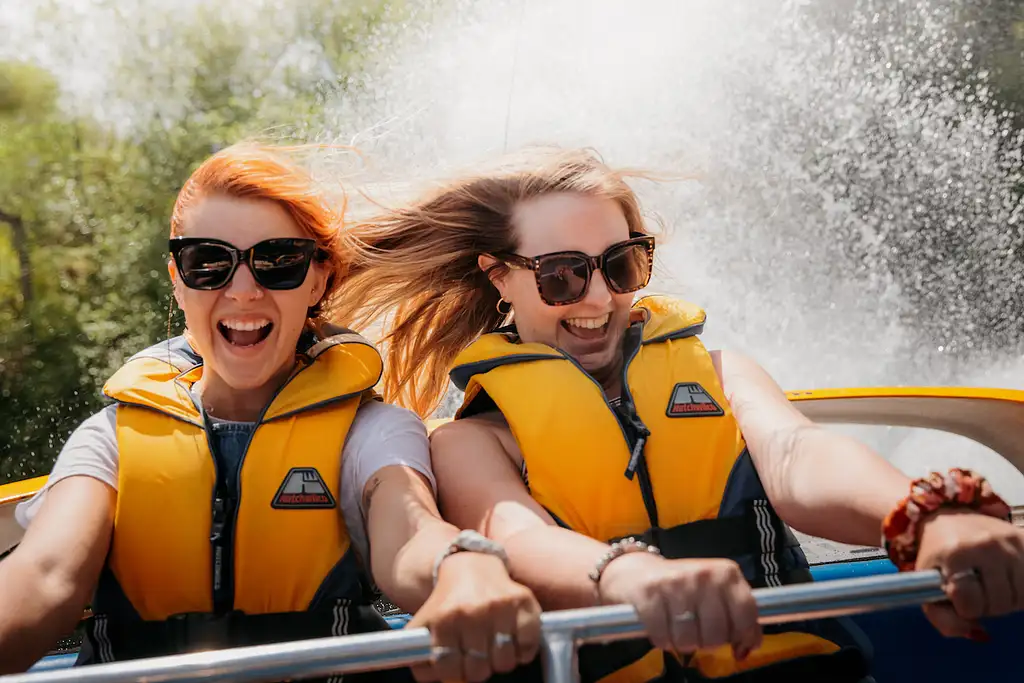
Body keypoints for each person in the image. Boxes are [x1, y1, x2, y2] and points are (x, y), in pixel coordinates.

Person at [332, 146, 1024, 683]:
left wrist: (919, 514)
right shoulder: (469, 440)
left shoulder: (723, 373)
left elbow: (794, 455)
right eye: (561, 275)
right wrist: (636, 576)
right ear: (500, 276)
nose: (598, 297)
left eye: (623, 265)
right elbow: (514, 532)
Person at [0, 143, 542, 683]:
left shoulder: (372, 434)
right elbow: (46, 575)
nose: (242, 290)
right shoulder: (110, 441)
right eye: (207, 262)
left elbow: (411, 535)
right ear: (177, 279)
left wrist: (462, 565)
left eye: (278, 262)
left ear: (317, 280)